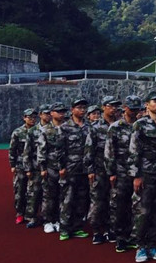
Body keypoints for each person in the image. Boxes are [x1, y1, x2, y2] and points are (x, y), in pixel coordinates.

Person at [129, 91, 156, 263]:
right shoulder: (140, 124)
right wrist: (136, 175)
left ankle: (152, 244)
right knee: (143, 211)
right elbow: (134, 151)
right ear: (147, 104)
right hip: (146, 173)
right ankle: (140, 246)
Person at [105, 95, 141, 253]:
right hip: (121, 172)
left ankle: (134, 236)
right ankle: (121, 237)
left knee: (138, 206)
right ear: (125, 108)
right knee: (121, 205)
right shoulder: (115, 127)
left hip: (139, 172)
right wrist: (111, 172)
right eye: (132, 109)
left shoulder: (141, 125)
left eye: (137, 109)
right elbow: (109, 151)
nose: (134, 112)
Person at [58, 98, 94, 241]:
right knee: (68, 199)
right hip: (70, 168)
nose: (82, 110)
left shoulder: (89, 127)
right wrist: (61, 167)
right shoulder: (65, 127)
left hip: (85, 169)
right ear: (72, 110)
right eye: (79, 107)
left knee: (82, 199)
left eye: (84, 108)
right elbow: (60, 148)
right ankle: (64, 228)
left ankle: (77, 227)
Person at [90, 96, 120, 244]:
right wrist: (90, 170)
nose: (113, 108)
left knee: (114, 201)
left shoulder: (120, 125)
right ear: (103, 107)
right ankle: (97, 231)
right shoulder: (95, 127)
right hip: (99, 169)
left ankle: (111, 229)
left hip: (117, 170)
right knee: (98, 201)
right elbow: (89, 150)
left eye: (115, 106)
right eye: (110, 105)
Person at [37, 101, 68, 234]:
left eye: (63, 111)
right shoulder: (45, 130)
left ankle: (59, 220)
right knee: (49, 195)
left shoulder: (68, 128)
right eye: (58, 111)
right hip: (51, 167)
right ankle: (48, 221)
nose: (61, 114)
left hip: (66, 168)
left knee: (63, 196)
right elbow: (41, 150)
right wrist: (42, 168)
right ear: (52, 113)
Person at [9, 108, 36, 225]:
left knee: (33, 191)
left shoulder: (38, 131)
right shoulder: (18, 132)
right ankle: (20, 213)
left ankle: (30, 214)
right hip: (21, 165)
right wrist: (12, 164)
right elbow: (12, 149)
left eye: (34, 117)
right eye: (29, 117)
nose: (32, 119)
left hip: (34, 165)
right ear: (24, 118)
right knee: (20, 190)